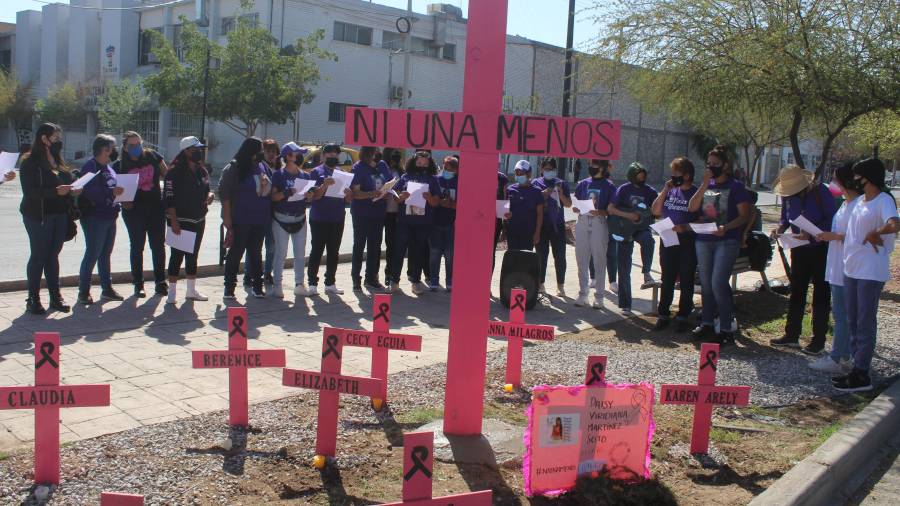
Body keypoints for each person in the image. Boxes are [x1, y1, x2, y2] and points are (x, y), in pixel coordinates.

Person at [833, 158, 898, 392]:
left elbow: (894, 224)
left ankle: (862, 374)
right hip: (851, 268)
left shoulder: (884, 201)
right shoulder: (860, 201)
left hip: (871, 270)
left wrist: (875, 232)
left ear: (868, 177)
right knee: (852, 320)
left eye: (858, 176)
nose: (855, 181)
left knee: (865, 321)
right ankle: (855, 366)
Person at [687, 145, 752, 345]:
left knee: (718, 283)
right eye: (709, 164)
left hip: (726, 239)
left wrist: (727, 227)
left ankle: (725, 327)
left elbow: (745, 215)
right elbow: (692, 207)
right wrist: (704, 185)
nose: (711, 167)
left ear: (725, 165)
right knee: (705, 284)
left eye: (716, 164)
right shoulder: (707, 185)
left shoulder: (736, 186)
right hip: (704, 239)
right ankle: (706, 322)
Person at [770, 164, 836, 353]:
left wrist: (813, 233)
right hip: (798, 248)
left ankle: (818, 339)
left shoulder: (820, 192)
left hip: (820, 248)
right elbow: (785, 218)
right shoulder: (787, 196)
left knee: (821, 293)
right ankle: (791, 334)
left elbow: (832, 219)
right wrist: (780, 229)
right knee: (797, 290)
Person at [19, 122, 77, 314]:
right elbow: (30, 192)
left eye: (60, 138)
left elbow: (67, 182)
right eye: (55, 138)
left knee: (53, 256)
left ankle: (55, 297)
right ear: (44, 138)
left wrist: (74, 188)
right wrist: (55, 191)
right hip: (38, 215)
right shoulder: (29, 162)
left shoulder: (58, 160)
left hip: (60, 215)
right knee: (39, 256)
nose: (58, 141)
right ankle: (33, 299)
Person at [809, 162, 859, 374]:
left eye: (835, 179)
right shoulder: (845, 204)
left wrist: (834, 236)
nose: (833, 183)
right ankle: (845, 354)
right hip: (837, 265)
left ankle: (838, 357)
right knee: (841, 313)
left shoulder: (858, 205)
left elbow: (858, 237)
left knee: (843, 314)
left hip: (847, 267)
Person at [114, 131, 168, 298]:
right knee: (137, 247)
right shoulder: (119, 165)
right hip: (133, 212)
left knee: (158, 246)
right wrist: (122, 200)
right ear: (124, 147)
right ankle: (138, 284)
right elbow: (114, 190)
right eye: (131, 145)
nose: (136, 148)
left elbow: (167, 174)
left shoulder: (152, 156)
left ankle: (160, 282)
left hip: (156, 209)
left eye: (138, 144)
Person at [650, 157, 699, 331]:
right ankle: (664, 314)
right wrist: (664, 190)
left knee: (686, 279)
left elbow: (703, 221)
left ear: (686, 175)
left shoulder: (695, 193)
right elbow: (655, 211)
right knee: (667, 278)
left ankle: (683, 315)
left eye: (676, 173)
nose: (672, 176)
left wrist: (684, 228)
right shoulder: (671, 191)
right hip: (668, 237)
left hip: (687, 240)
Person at [221, 137, 273, 299]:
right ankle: (229, 288)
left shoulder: (261, 167)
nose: (262, 153)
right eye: (260, 150)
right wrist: (227, 218)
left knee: (256, 253)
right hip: (240, 218)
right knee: (236, 252)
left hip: (259, 218)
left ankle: (257, 286)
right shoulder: (234, 167)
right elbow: (225, 195)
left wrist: (266, 185)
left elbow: (268, 189)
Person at [164, 136, 214, 304]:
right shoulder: (174, 171)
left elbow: (207, 189)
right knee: (176, 256)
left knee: (193, 255)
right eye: (195, 150)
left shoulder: (202, 170)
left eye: (200, 149)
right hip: (180, 219)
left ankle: (191, 290)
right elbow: (169, 197)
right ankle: (171, 292)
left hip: (198, 218)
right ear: (186, 151)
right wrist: (174, 221)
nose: (199, 152)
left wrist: (209, 196)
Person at [77, 134, 125, 305]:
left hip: (110, 215)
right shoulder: (90, 167)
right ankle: (83, 292)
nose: (113, 152)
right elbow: (89, 191)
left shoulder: (108, 167)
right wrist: (111, 192)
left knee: (105, 254)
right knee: (92, 254)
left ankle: (107, 289)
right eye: (110, 149)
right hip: (95, 217)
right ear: (101, 149)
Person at [387, 151, 441, 294]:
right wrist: (401, 196)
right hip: (404, 221)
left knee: (418, 253)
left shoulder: (433, 179)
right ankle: (394, 281)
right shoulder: (405, 177)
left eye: (425, 162)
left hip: (423, 222)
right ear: (413, 162)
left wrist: (429, 197)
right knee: (398, 251)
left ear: (429, 164)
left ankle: (416, 282)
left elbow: (435, 203)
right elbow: (395, 198)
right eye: (419, 162)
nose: (421, 164)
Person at [607, 162, 658, 313]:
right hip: (624, 230)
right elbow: (610, 208)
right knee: (623, 268)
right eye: (638, 176)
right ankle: (625, 304)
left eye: (643, 176)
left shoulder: (650, 191)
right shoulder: (623, 189)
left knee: (648, 240)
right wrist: (628, 215)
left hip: (641, 228)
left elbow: (657, 210)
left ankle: (647, 272)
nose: (642, 178)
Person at [307, 143, 353, 295]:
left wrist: (348, 193)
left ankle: (330, 283)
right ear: (323, 155)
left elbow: (348, 200)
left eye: (335, 153)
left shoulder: (342, 173)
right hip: (319, 218)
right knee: (317, 250)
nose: (332, 156)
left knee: (334, 252)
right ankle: (312, 283)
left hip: (337, 217)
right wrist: (324, 186)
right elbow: (315, 197)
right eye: (329, 153)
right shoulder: (315, 172)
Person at [270, 142, 313, 298]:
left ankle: (299, 284)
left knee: (300, 253)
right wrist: (287, 192)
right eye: (296, 153)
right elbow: (273, 197)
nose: (299, 156)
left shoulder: (305, 176)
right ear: (288, 156)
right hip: (282, 218)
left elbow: (309, 196)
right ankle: (277, 285)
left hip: (300, 217)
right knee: (281, 252)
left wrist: (310, 196)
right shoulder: (278, 175)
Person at [572, 159, 615, 308]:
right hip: (583, 220)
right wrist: (576, 208)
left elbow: (610, 209)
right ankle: (583, 293)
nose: (591, 167)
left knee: (599, 259)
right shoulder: (583, 183)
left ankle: (599, 296)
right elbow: (576, 203)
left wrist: (600, 211)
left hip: (599, 221)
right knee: (581, 258)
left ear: (602, 168)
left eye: (595, 165)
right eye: (590, 165)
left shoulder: (609, 185)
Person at [350, 146, 393, 291]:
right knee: (359, 245)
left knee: (375, 246)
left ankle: (372, 278)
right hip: (361, 213)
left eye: (377, 152)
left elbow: (389, 182)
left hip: (378, 213)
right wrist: (370, 194)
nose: (377, 155)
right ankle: (356, 279)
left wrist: (386, 191)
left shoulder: (382, 165)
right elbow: (355, 193)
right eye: (373, 153)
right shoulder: (358, 167)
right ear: (367, 154)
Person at [244, 139, 280, 288]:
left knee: (272, 245)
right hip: (258, 212)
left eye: (274, 152)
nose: (271, 155)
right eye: (268, 151)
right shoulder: (259, 167)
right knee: (254, 246)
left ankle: (267, 273)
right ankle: (249, 274)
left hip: (274, 213)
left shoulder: (279, 168)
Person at [533, 157, 572, 297]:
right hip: (542, 226)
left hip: (558, 226)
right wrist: (543, 195)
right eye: (547, 169)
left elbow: (568, 204)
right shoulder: (536, 183)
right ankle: (540, 284)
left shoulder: (561, 183)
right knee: (541, 256)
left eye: (552, 169)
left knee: (560, 256)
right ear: (542, 169)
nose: (549, 171)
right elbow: (532, 203)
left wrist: (561, 194)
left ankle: (560, 285)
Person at [429, 155, 458, 291]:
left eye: (450, 168)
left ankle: (450, 281)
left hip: (452, 223)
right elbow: (432, 200)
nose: (446, 169)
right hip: (435, 222)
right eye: (445, 167)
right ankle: (434, 281)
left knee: (450, 254)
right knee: (434, 253)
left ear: (456, 170)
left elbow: (462, 204)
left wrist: (451, 204)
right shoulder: (436, 180)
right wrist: (441, 202)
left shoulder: (459, 182)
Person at [505, 160, 544, 251]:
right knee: (513, 260)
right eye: (517, 173)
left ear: (529, 174)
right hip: (512, 232)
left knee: (525, 262)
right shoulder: (510, 190)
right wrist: (506, 217)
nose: (519, 176)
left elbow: (540, 214)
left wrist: (537, 233)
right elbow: (505, 211)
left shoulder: (537, 191)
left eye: (521, 173)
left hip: (528, 234)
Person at [382, 148, 404, 284]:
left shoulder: (402, 173)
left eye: (397, 157)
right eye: (392, 157)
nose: (394, 160)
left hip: (396, 213)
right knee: (385, 245)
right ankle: (383, 274)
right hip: (383, 212)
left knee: (394, 245)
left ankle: (391, 274)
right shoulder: (383, 171)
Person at [492, 166, 510, 271]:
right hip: (478, 219)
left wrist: (504, 226)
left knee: (491, 252)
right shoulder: (478, 174)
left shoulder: (502, 178)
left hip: (495, 221)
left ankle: (487, 282)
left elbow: (504, 201)